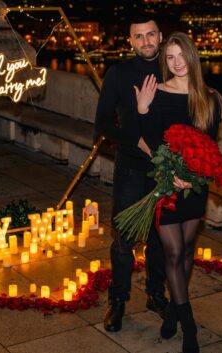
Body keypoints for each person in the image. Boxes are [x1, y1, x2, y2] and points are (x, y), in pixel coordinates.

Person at [135, 32, 222, 353]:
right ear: (164, 60)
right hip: (165, 184)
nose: (176, 62)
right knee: (172, 253)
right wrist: (143, 110)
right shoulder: (156, 93)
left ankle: (172, 313)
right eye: (169, 57)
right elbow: (153, 142)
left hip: (195, 186)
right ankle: (189, 327)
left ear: (192, 57)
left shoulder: (209, 98)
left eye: (180, 55)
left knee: (187, 251)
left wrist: (193, 176)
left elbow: (209, 145)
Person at [94, 15, 168, 332]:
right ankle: (118, 302)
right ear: (131, 41)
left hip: (165, 171)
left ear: (161, 36)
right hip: (130, 169)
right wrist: (136, 139)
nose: (146, 42)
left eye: (150, 34)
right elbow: (103, 124)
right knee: (124, 241)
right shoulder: (119, 73)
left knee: (160, 240)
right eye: (138, 37)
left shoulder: (174, 69)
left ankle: (155, 294)